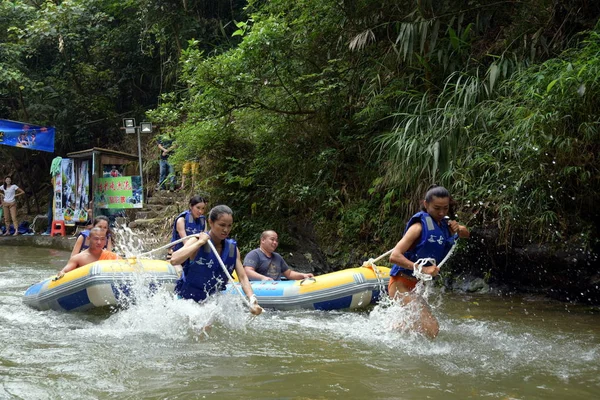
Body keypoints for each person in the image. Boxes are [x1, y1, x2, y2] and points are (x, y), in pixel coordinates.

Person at [388, 185, 470, 338]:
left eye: (445, 208)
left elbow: (466, 233)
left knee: (413, 330)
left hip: (415, 287)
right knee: (432, 329)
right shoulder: (418, 227)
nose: (441, 213)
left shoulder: (445, 226)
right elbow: (394, 256)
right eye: (436, 208)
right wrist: (423, 269)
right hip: (400, 283)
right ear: (425, 204)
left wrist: (458, 228)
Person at [170, 205, 262, 315]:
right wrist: (200, 243)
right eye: (222, 225)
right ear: (211, 222)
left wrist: (252, 299)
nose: (226, 230)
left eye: (229, 226)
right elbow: (174, 260)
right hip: (185, 301)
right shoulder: (196, 240)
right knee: (203, 322)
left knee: (207, 320)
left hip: (209, 303)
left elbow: (242, 277)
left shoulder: (233, 250)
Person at [244, 230, 314, 281]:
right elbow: (247, 271)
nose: (275, 242)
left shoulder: (277, 257)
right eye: (272, 239)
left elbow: (289, 274)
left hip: (277, 288)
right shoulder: (254, 255)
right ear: (263, 240)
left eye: (276, 240)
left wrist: (303, 275)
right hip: (261, 289)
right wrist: (263, 278)